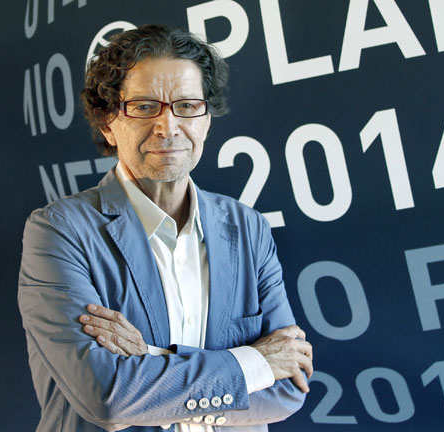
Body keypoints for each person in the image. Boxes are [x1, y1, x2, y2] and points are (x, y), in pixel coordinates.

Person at [18, 24, 312, 432]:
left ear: (206, 120)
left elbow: (288, 387)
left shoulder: (249, 228)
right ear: (107, 123)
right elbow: (108, 396)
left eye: (187, 106)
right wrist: (256, 363)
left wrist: (150, 361)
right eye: (144, 107)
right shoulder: (60, 231)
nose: (168, 127)